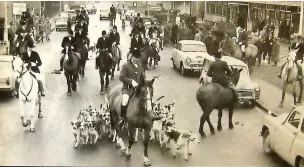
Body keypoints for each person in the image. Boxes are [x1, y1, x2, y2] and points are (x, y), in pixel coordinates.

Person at [118, 50, 146, 125]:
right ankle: (122, 117)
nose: (137, 59)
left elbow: (143, 76)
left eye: (138, 58)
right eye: (136, 57)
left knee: (146, 98)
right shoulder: (125, 65)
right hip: (127, 89)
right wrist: (131, 81)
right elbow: (121, 77)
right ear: (132, 57)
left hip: (138, 89)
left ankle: (146, 116)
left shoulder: (140, 65)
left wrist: (144, 81)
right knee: (125, 101)